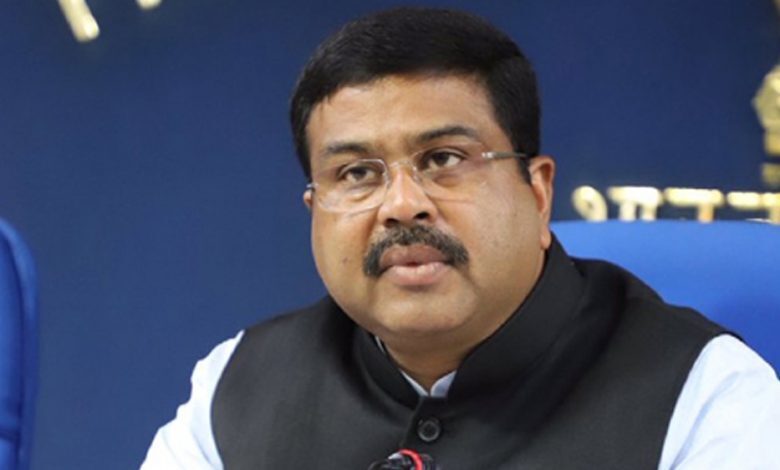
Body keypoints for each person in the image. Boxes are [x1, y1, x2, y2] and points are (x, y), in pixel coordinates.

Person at [141, 7, 780, 469]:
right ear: (314, 209)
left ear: (538, 192)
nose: (402, 205)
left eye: (443, 159)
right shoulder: (237, 388)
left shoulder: (705, 396)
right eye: (357, 173)